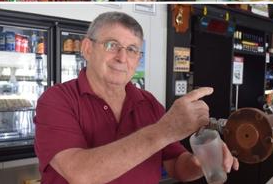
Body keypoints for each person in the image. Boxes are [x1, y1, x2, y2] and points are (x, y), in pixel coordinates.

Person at [34, 12, 239, 184]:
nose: (122, 58)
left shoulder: (148, 103)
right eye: (112, 45)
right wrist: (165, 130)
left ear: (138, 58)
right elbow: (81, 174)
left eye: (131, 50)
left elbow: (177, 166)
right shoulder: (57, 100)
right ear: (87, 48)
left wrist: (200, 162)